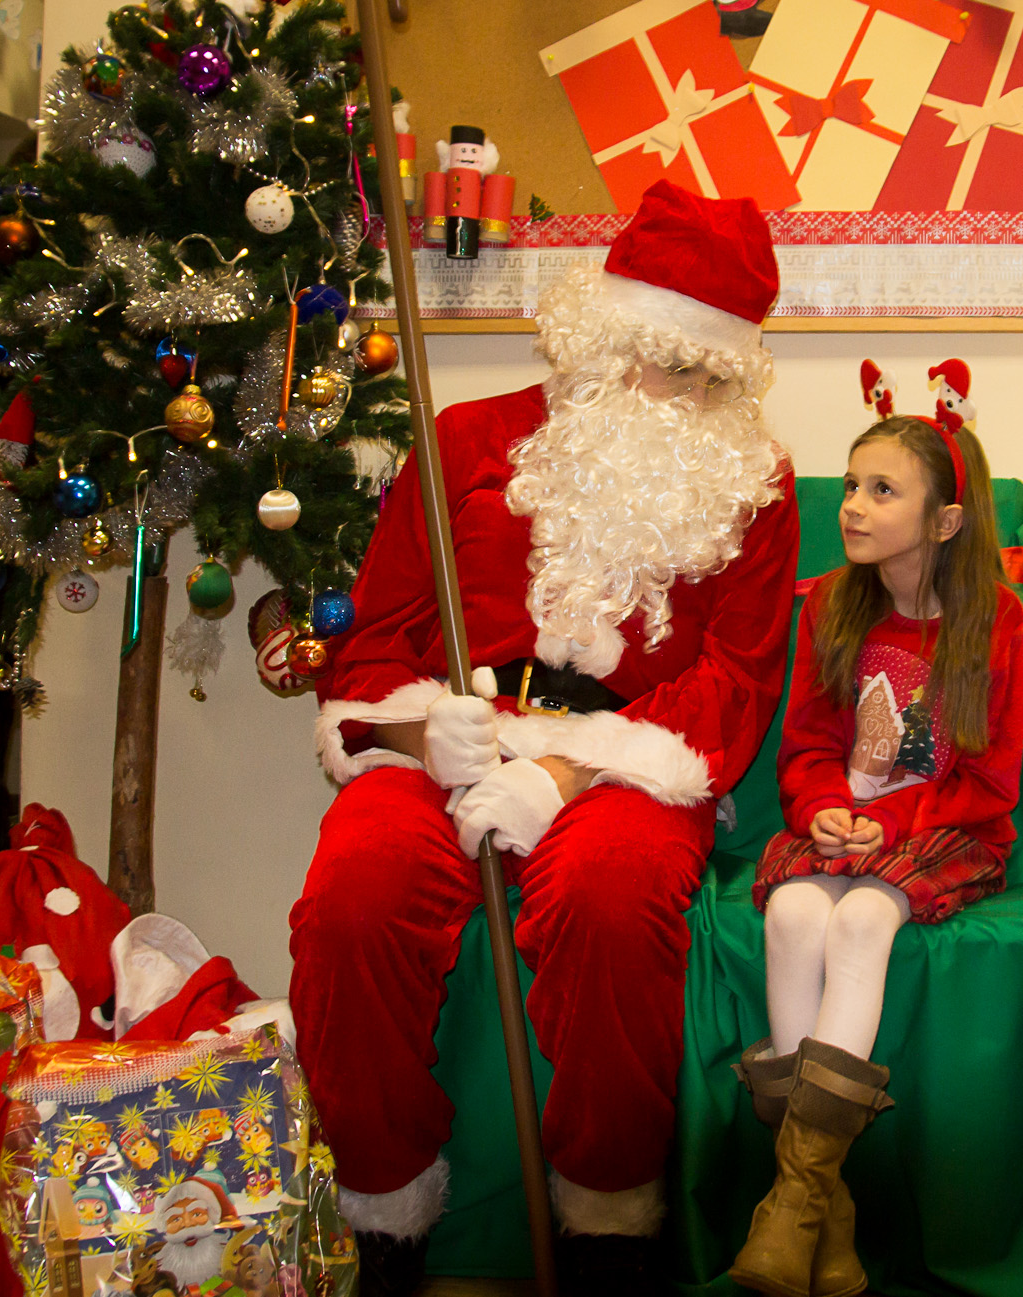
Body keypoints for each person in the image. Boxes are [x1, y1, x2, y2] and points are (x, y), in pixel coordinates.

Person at [290, 180, 800, 1297]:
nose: (673, 392)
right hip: (454, 734)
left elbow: (736, 681)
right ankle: (385, 1209)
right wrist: (426, 732)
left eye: (705, 373)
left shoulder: (755, 485)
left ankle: (609, 1223)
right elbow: (373, 641)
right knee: (355, 891)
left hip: (635, 761)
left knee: (612, 896)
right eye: (653, 356)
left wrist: (566, 773)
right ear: (598, 329)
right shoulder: (467, 438)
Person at [729, 414, 1023, 1297]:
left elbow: (990, 779)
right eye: (853, 485)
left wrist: (889, 827)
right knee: (791, 909)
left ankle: (792, 1201)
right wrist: (824, 809)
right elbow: (809, 747)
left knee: (860, 919)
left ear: (944, 521)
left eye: (881, 491)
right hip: (843, 825)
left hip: (944, 831)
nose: (852, 506)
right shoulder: (829, 604)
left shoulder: (995, 623)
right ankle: (820, 1208)